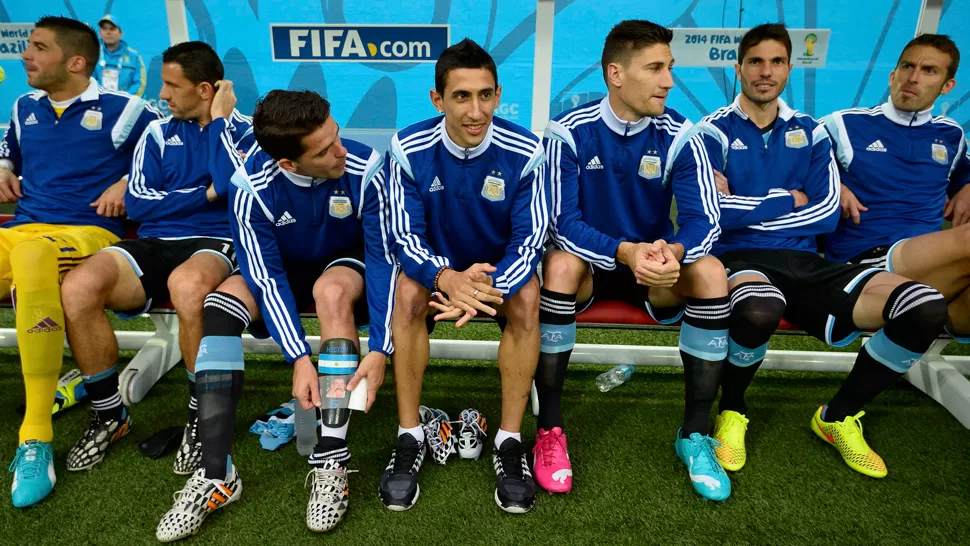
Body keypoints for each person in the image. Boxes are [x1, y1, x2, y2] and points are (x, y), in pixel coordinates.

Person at [698, 24, 948, 480]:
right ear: (738, 69)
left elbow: (827, 213)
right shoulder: (710, 131)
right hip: (737, 257)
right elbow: (712, 212)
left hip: (808, 262)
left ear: (790, 69)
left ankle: (837, 415)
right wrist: (787, 198)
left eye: (776, 62)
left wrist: (753, 205)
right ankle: (732, 410)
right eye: (755, 61)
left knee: (924, 307)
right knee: (758, 308)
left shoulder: (810, 132)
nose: (765, 71)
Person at [155, 89, 394, 541]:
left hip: (342, 269)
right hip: (279, 268)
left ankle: (331, 459)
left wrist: (381, 346)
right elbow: (267, 278)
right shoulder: (251, 187)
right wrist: (299, 359)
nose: (340, 150)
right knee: (219, 307)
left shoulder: (367, 169)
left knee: (332, 292)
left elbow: (383, 263)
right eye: (324, 150)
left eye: (336, 135)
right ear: (288, 163)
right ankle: (216, 474)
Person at [538, 20, 730, 501]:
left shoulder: (681, 133)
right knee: (559, 263)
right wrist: (623, 251)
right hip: (591, 267)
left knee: (709, 271)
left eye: (670, 68)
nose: (669, 80)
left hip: (654, 272)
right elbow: (561, 222)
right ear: (616, 75)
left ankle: (695, 434)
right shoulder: (568, 131)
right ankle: (549, 430)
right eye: (656, 68)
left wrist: (675, 253)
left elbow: (705, 218)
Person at [59, 42, 253, 477]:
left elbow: (235, 190)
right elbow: (141, 205)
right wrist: (204, 195)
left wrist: (219, 126)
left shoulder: (246, 131)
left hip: (215, 240)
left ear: (206, 90)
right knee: (78, 287)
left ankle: (200, 416)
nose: (163, 95)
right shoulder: (157, 132)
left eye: (172, 85)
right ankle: (110, 414)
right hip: (152, 243)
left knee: (188, 287)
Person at [379, 38, 548, 514]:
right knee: (408, 296)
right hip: (436, 268)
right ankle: (409, 435)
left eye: (485, 95)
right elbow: (401, 233)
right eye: (461, 97)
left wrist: (479, 288)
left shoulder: (527, 149)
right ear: (438, 100)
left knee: (528, 299)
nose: (477, 111)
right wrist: (445, 277)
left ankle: (509, 442)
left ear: (497, 94)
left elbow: (531, 239)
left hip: (497, 271)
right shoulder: (408, 147)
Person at [1, 16, 159, 508]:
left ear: (75, 62)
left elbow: (171, 160)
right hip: (24, 226)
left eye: (38, 48)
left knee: (33, 260)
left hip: (86, 234)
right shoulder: (25, 106)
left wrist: (128, 184)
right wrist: (4, 168)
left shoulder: (129, 110)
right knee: (28, 249)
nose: (26, 55)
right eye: (28, 46)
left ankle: (35, 436)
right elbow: (11, 153)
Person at [822, 35, 970, 342]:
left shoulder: (951, 135)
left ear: (947, 86)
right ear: (893, 74)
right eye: (907, 67)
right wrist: (829, 182)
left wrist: (968, 184)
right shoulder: (844, 124)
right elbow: (786, 163)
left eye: (929, 71)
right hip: (865, 261)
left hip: (930, 265)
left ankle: (923, 331)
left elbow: (964, 172)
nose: (913, 78)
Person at [93, 14, 147, 97]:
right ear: (100, 33)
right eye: (104, 29)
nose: (108, 32)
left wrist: (124, 101)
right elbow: (87, 79)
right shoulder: (93, 53)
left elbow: (140, 84)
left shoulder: (134, 56)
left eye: (112, 29)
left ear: (121, 33)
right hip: (97, 102)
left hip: (126, 104)